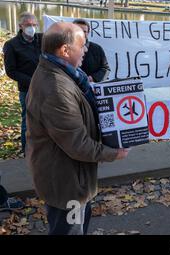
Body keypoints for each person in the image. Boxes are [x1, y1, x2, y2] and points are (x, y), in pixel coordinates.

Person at [26, 23, 129, 235]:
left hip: (71, 176)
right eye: (82, 45)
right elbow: (78, 144)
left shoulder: (61, 72)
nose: (86, 50)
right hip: (67, 184)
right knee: (71, 230)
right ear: (65, 50)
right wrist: (114, 154)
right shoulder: (56, 88)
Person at [3, 12, 42, 154]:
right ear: (21, 26)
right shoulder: (11, 45)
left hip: (46, 87)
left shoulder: (42, 39)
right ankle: (27, 150)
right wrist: (32, 81)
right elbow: (11, 71)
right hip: (27, 89)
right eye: (28, 25)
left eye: (34, 24)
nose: (32, 27)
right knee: (28, 120)